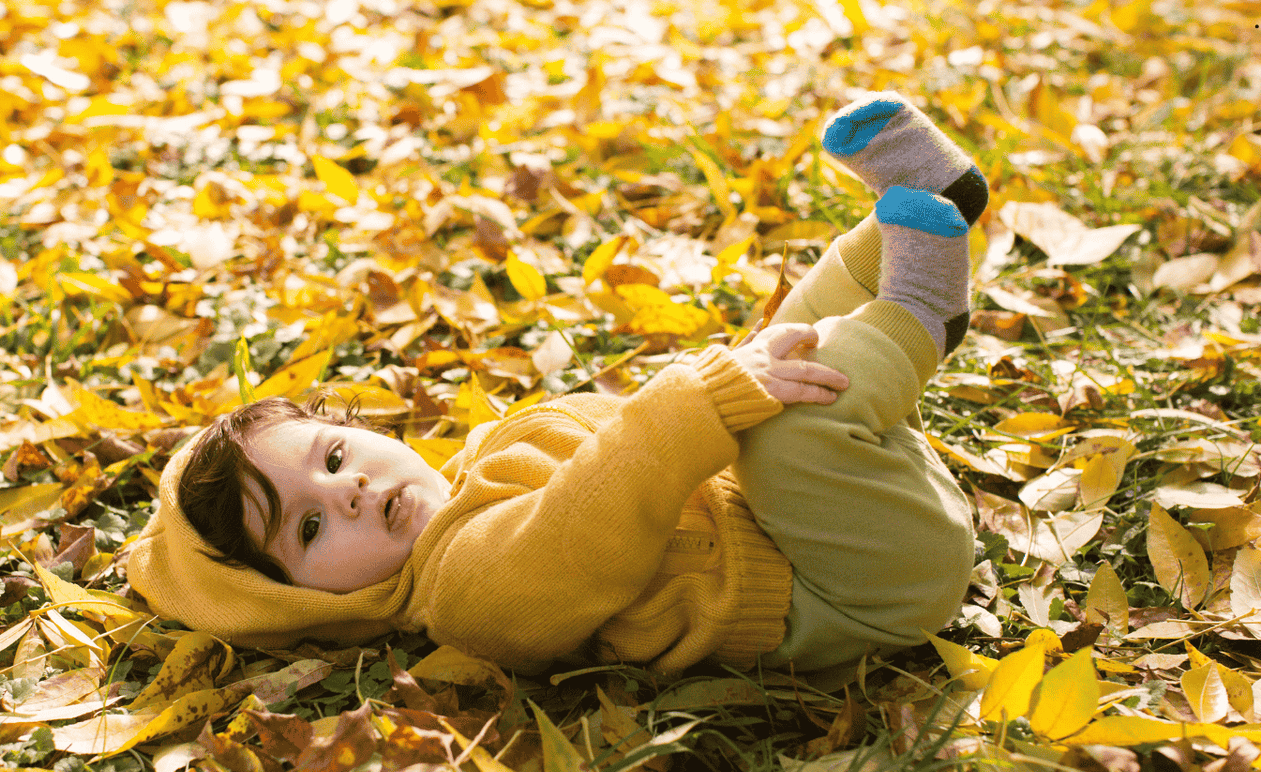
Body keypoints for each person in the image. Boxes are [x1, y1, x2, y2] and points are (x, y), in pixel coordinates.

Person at [124, 93, 987, 679]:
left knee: (779, 355)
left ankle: (911, 216)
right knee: (791, 419)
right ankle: (922, 304)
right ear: (303, 598)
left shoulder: (474, 470)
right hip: (861, 582)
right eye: (308, 525)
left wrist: (732, 384)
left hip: (829, 512)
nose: (346, 491)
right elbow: (582, 530)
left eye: (333, 454)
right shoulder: (467, 595)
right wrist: (695, 406)